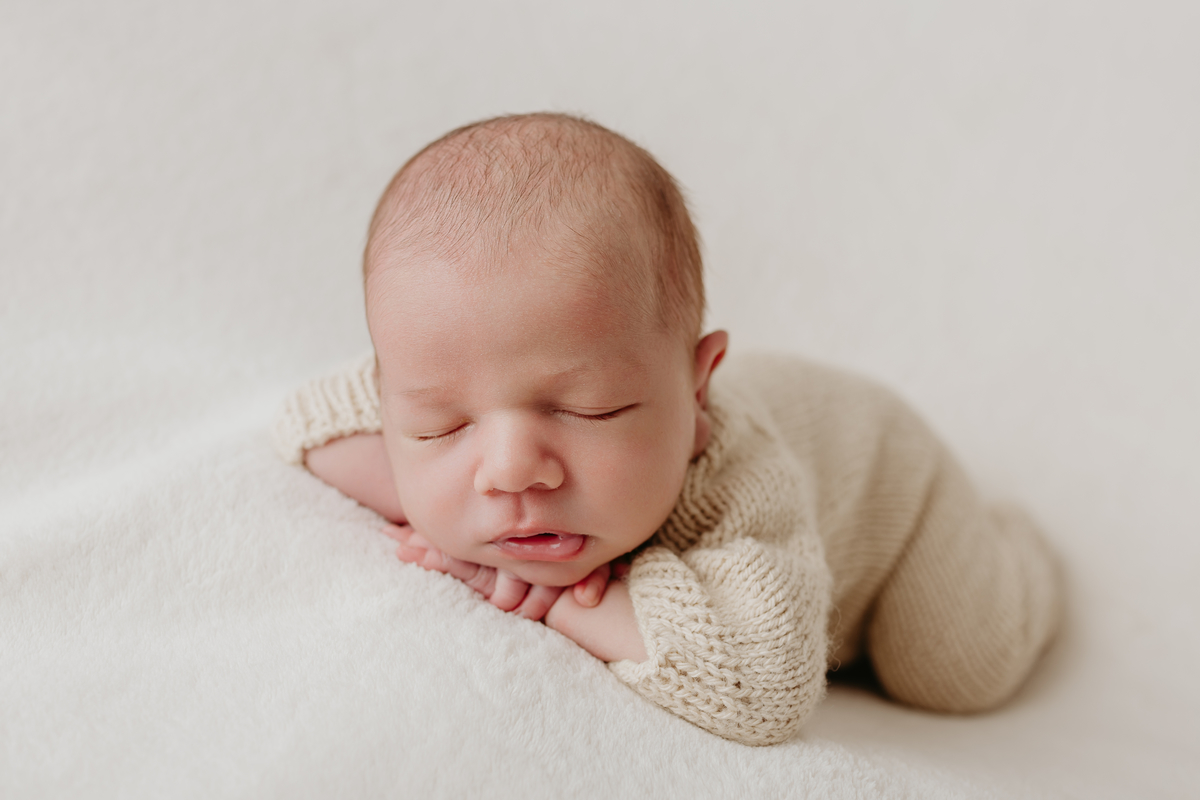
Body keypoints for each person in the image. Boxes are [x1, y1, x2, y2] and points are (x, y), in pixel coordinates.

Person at [273, 112, 1061, 746]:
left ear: (695, 391)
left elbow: (767, 686)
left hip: (896, 495)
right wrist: (436, 497)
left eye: (587, 411)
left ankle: (1022, 553)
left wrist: (562, 601)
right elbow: (305, 423)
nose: (510, 470)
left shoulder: (744, 484)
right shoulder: (420, 390)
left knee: (956, 672)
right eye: (443, 425)